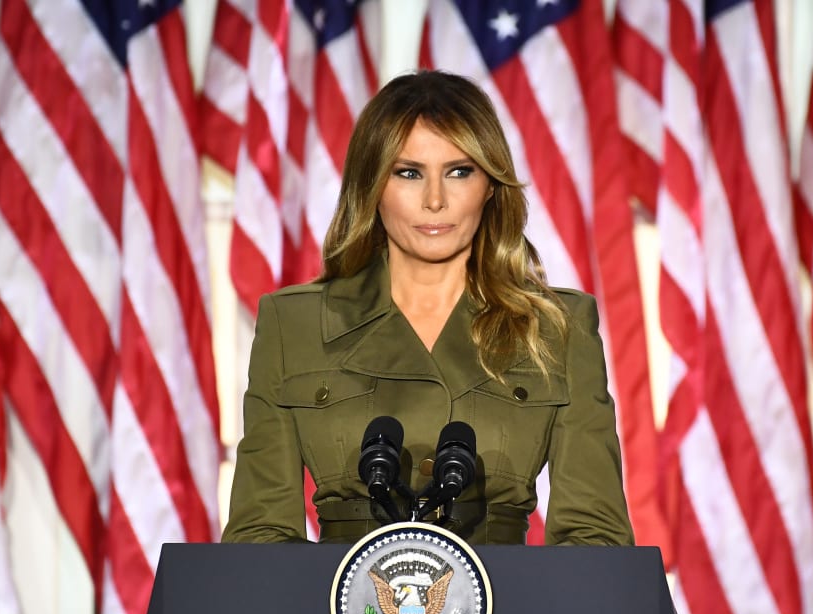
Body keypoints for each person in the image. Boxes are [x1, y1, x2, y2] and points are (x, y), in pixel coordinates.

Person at [222, 70, 633, 546]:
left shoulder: (558, 328)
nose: (435, 200)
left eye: (459, 171)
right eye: (409, 173)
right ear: (373, 185)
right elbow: (259, 535)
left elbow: (596, 539)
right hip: (331, 610)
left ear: (491, 187)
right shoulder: (293, 324)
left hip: (510, 610)